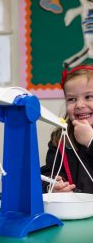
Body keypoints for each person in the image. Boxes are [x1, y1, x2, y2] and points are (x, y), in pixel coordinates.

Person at [41, 65, 93, 193]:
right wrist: (53, 185)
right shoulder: (60, 138)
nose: (79, 105)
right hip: (73, 210)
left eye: (89, 97)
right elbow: (49, 172)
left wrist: (90, 141)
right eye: (71, 99)